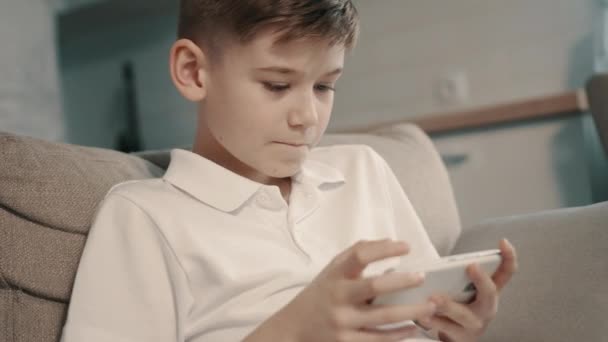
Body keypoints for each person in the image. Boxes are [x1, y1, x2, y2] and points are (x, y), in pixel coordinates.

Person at [60, 1, 517, 341]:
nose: (308, 117)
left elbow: (424, 311)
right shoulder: (144, 216)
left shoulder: (363, 171)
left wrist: (455, 324)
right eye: (277, 85)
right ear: (194, 72)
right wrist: (295, 329)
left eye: (324, 86)